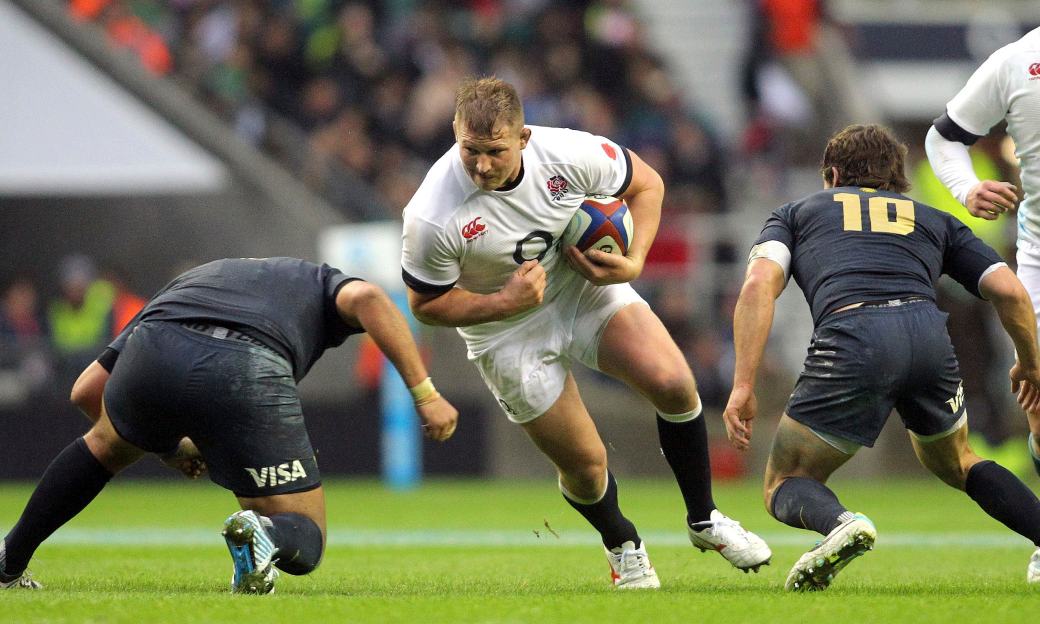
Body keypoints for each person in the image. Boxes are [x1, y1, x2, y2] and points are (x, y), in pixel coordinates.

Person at [400, 77, 771, 590]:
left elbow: (648, 184)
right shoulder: (430, 214)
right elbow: (425, 304)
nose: (482, 164)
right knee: (586, 465)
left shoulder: (568, 153)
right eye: (470, 150)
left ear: (524, 137)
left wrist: (635, 261)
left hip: (581, 287)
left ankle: (705, 519)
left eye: (495, 151)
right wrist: (501, 301)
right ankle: (623, 545)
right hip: (504, 331)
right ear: (454, 134)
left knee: (673, 382)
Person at [0, 257, 458, 592]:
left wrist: (169, 448)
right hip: (244, 363)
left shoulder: (185, 286)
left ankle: (9, 558)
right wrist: (426, 394)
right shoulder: (318, 283)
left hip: (155, 347)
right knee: (305, 535)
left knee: (105, 444)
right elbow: (370, 297)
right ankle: (265, 536)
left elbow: (85, 391)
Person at [725, 124, 1040, 591]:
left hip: (854, 335)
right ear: (897, 179)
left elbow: (756, 287)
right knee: (959, 462)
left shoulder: (797, 213)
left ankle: (839, 525)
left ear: (831, 174)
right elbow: (1010, 291)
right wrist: (1030, 363)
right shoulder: (934, 218)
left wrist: (743, 385)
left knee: (785, 479)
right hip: (929, 335)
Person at [924, 27, 1040, 470]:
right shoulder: (1016, 61)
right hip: (1033, 257)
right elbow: (944, 137)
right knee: (1036, 404)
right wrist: (966, 186)